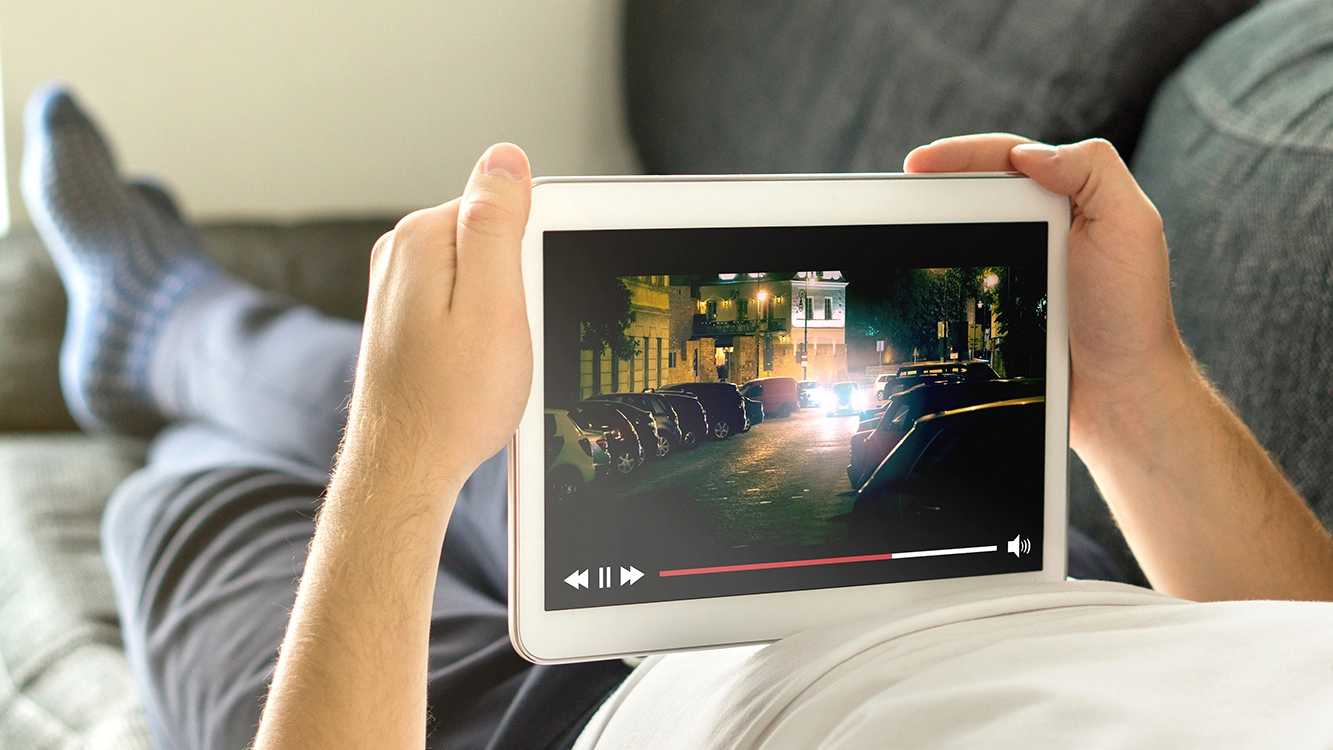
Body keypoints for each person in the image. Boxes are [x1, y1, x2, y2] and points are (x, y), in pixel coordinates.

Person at [23, 82, 1333, 749]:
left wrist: (399, 468)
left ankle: (166, 363)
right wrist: (1129, 387)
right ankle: (168, 322)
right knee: (437, 386)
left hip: (623, 728)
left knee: (204, 501)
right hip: (1005, 562)